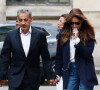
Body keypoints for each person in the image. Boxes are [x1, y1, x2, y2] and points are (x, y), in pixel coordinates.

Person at [0, 8, 56, 90]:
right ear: (17, 20)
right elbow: (5, 58)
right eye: (20, 20)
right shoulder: (10, 35)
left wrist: (50, 75)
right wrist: (2, 76)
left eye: (25, 20)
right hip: (15, 78)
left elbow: (45, 58)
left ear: (31, 19)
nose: (23, 23)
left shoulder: (40, 35)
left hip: (33, 78)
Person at [55, 8, 98, 90]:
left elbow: (88, 53)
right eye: (72, 23)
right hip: (70, 69)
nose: (74, 26)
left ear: (82, 22)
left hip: (85, 68)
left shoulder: (88, 33)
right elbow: (59, 55)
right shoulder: (63, 33)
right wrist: (57, 73)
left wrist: (77, 41)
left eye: (77, 23)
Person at [56, 14, 68, 90]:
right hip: (62, 70)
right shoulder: (59, 35)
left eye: (60, 21)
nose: (58, 23)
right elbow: (58, 55)